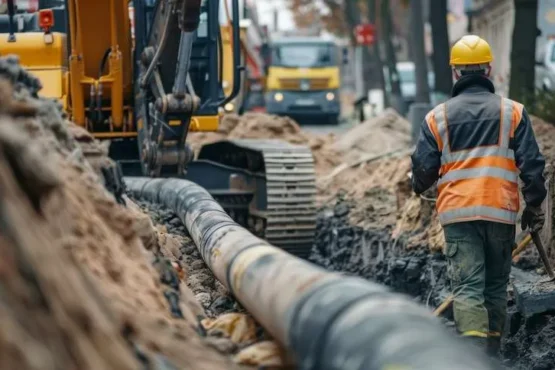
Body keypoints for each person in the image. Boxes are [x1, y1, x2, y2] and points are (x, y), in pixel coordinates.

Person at [410, 35, 547, 356]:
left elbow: (423, 170)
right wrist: (535, 206)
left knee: (468, 288)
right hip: (500, 212)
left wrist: (417, 184)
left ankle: (472, 359)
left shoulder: (436, 117)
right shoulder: (513, 112)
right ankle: (491, 355)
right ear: (488, 69)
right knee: (495, 288)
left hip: (458, 215)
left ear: (456, 72)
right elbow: (532, 165)